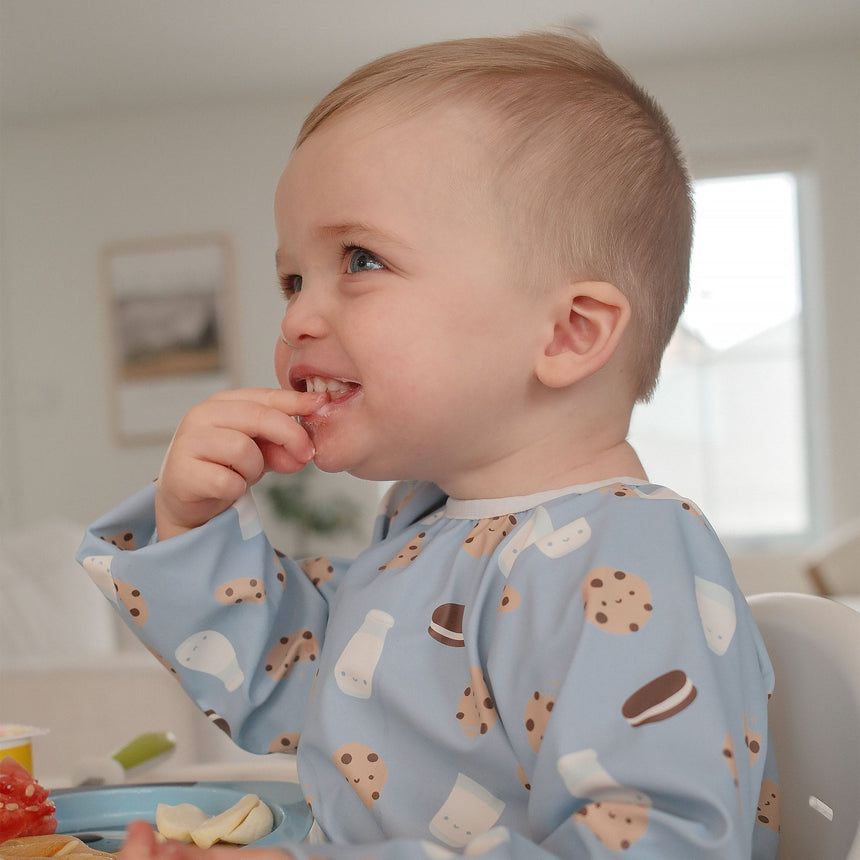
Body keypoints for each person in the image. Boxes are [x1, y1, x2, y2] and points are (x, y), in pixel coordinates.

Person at [77, 29, 779, 860]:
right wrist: (190, 525)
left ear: (566, 334)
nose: (298, 316)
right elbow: (295, 687)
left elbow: (660, 845)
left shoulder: (626, 553)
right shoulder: (424, 526)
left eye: (361, 260)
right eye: (293, 278)